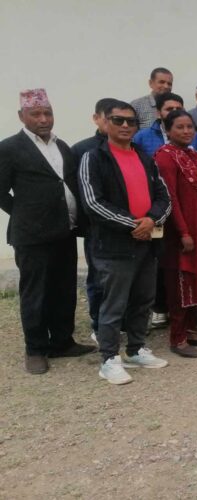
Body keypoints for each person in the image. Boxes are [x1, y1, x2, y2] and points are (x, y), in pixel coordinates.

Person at [0, 88, 94, 374]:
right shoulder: (9, 148)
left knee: (64, 289)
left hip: (64, 231)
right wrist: (24, 213)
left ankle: (62, 341)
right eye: (36, 114)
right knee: (36, 293)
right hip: (32, 236)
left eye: (47, 113)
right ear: (22, 116)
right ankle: (36, 349)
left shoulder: (61, 145)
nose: (43, 119)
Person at [78, 100, 172, 384]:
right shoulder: (94, 158)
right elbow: (93, 203)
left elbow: (164, 197)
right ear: (105, 122)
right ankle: (108, 359)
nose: (125, 126)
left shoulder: (145, 158)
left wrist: (151, 221)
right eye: (118, 120)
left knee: (143, 300)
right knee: (113, 304)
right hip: (114, 246)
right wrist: (134, 224)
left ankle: (136, 349)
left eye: (131, 121)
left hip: (147, 242)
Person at [153, 110, 197, 358]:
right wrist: (183, 232)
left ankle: (192, 330)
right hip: (181, 233)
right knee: (180, 284)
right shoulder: (165, 157)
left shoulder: (194, 155)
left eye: (189, 126)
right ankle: (177, 337)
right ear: (168, 130)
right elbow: (170, 197)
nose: (186, 131)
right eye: (179, 127)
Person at [72, 97, 116, 340]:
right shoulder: (82, 150)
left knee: (122, 279)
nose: (116, 124)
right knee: (99, 278)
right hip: (95, 227)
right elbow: (75, 191)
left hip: (126, 226)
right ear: (96, 118)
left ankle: (120, 322)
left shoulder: (129, 148)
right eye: (110, 119)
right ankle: (99, 324)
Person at [132, 92, 197, 158]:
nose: (174, 112)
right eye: (169, 109)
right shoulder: (142, 137)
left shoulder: (195, 137)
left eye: (178, 109)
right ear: (158, 113)